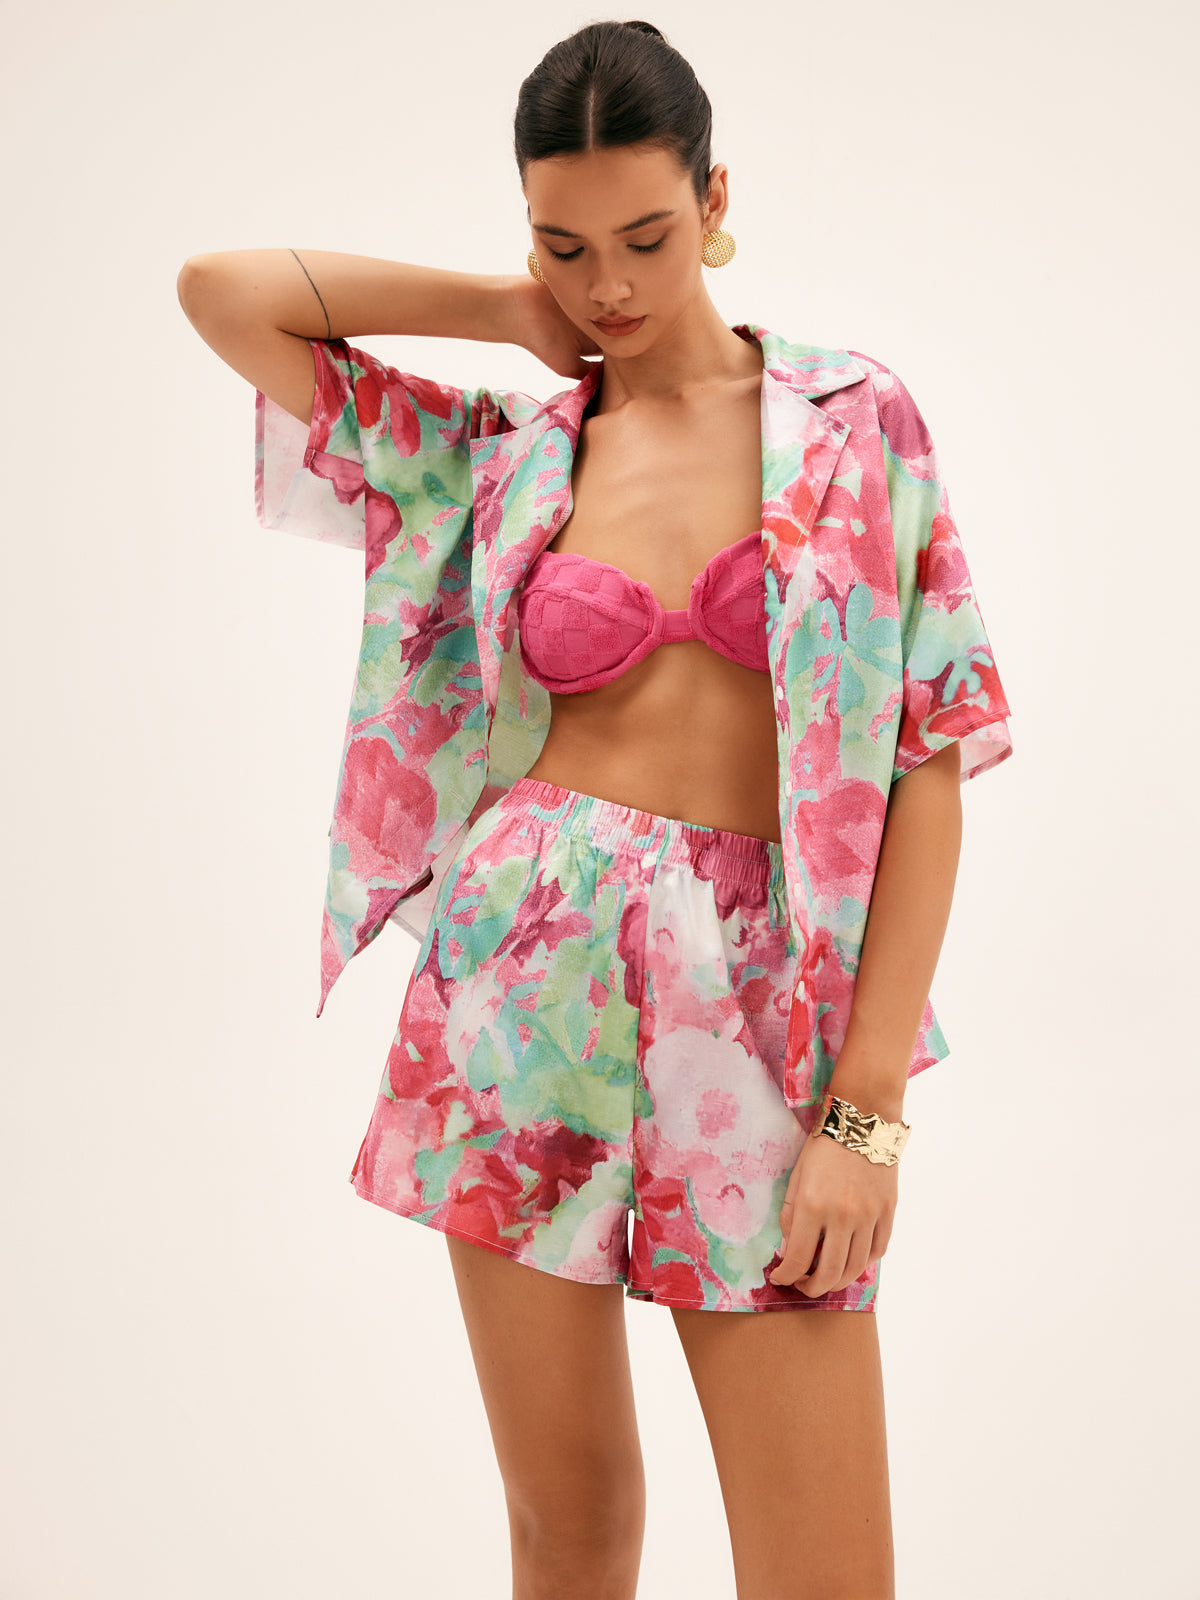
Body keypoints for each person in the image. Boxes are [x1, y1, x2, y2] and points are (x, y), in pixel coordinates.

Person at [178, 18, 1013, 1599]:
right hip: (518, 990)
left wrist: (864, 1117)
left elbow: (928, 757)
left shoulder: (854, 422)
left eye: (645, 236)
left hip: (760, 1012)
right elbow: (221, 292)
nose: (610, 287)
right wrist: (503, 311)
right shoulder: (499, 456)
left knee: (827, 1573)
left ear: (715, 200)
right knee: (569, 1531)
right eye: (565, 247)